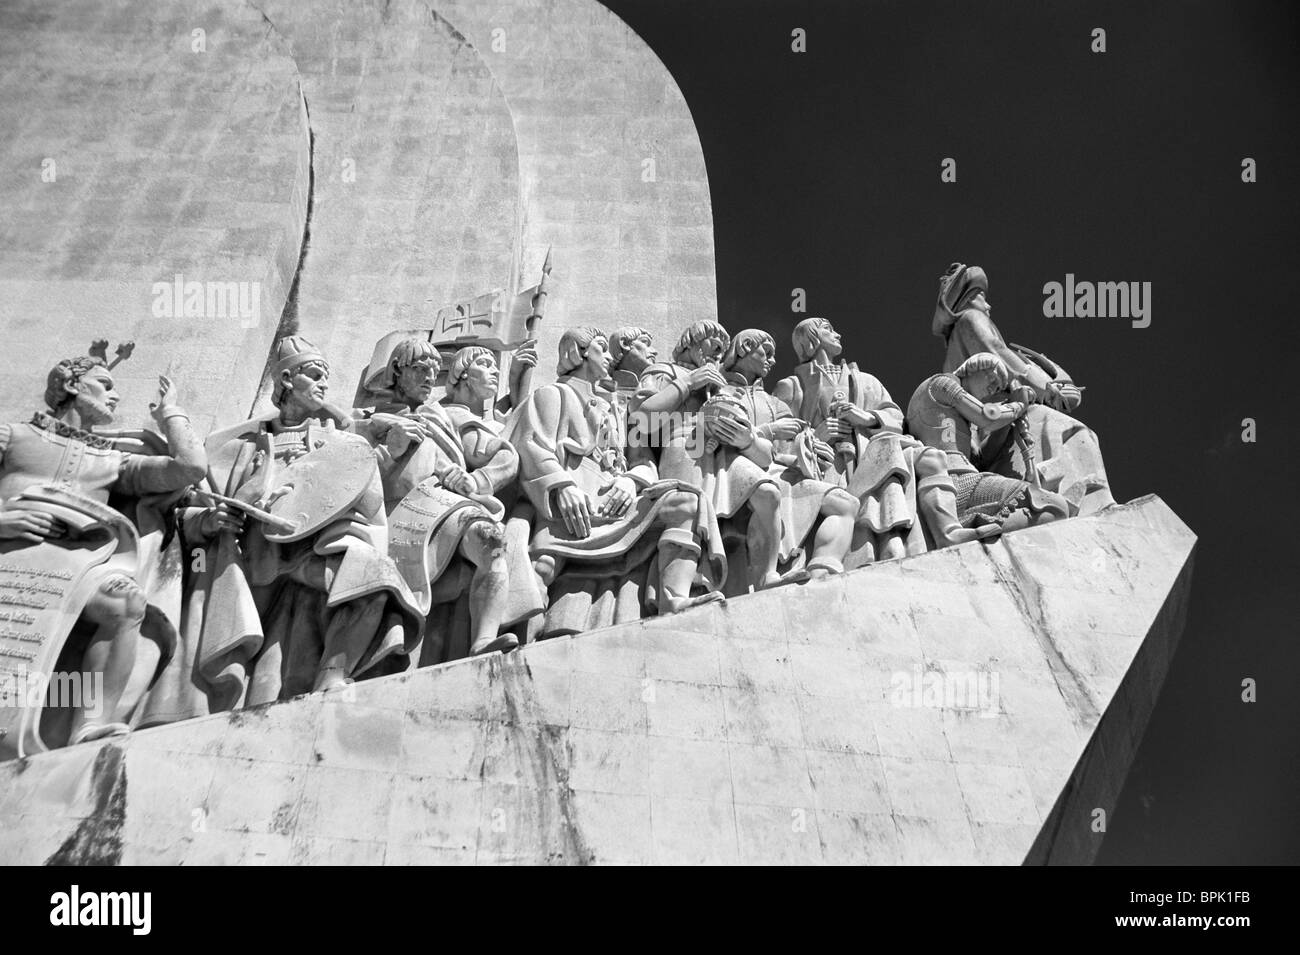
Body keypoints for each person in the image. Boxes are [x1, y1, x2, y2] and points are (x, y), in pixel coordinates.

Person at [184, 336, 422, 706]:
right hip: (256, 555)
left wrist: (392, 450)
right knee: (269, 665)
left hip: (312, 547)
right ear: (286, 381)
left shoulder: (333, 437)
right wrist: (217, 516)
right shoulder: (244, 443)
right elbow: (196, 500)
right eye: (314, 375)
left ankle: (332, 678)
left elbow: (359, 483)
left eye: (325, 377)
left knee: (375, 578)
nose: (324, 384)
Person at [0, 349, 205, 747]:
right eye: (105, 385)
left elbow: (190, 468)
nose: (114, 397)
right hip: (8, 551)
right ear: (73, 386)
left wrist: (171, 413)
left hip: (73, 566)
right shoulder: (13, 436)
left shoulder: (115, 462)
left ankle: (91, 725)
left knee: (125, 604)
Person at [510, 326, 724, 637]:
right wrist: (561, 486)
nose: (611, 357)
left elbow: (642, 460)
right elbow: (530, 443)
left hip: (616, 501)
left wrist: (633, 480)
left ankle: (674, 599)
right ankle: (520, 640)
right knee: (543, 567)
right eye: (602, 349)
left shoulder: (616, 408)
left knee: (687, 502)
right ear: (579, 353)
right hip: (571, 501)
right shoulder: (553, 393)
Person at [354, 339, 523, 660]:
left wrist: (475, 479)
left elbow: (500, 454)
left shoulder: (440, 416)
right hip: (385, 515)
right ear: (396, 372)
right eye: (420, 370)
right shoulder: (363, 420)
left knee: (493, 542)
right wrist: (392, 448)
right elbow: (351, 472)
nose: (430, 378)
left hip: (440, 506)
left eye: (434, 371)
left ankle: (484, 640)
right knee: (370, 592)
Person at [933, 262, 1114, 514]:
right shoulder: (970, 319)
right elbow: (1000, 354)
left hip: (991, 429)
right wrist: (1048, 389)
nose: (988, 305)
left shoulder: (956, 342)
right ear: (967, 300)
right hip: (995, 424)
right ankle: (1092, 504)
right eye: (982, 297)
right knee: (1064, 427)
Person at [773, 317, 929, 562]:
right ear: (811, 338)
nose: (838, 335)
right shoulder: (792, 387)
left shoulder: (866, 381)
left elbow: (896, 419)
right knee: (841, 518)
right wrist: (815, 436)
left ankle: (889, 546)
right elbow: (777, 447)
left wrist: (866, 418)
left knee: (874, 512)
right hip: (824, 467)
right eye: (828, 329)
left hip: (866, 458)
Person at [719, 329, 858, 583]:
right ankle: (766, 577)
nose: (772, 361)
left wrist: (815, 447)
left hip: (780, 474)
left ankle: (822, 571)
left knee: (845, 504)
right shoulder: (721, 390)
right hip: (733, 474)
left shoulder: (775, 403)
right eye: (767, 353)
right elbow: (728, 436)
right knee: (767, 492)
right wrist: (768, 432)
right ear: (744, 347)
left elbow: (785, 453)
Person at [906, 352, 1069, 533]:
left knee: (1054, 508)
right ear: (973, 368)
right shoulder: (941, 384)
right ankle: (977, 536)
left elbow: (982, 459)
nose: (993, 388)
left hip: (964, 480)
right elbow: (987, 416)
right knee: (1054, 505)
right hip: (954, 479)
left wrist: (1007, 425)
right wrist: (1018, 405)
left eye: (997, 387)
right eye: (992, 378)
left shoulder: (962, 420)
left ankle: (981, 530)